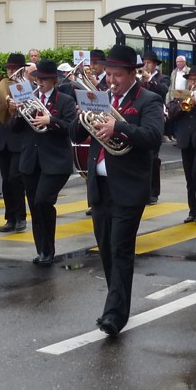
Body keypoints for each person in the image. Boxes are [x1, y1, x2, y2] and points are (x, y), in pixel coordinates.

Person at [70, 44, 164, 335]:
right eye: (108, 74)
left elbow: (153, 136)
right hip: (100, 185)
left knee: (121, 248)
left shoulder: (148, 99)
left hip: (128, 185)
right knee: (106, 249)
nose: (111, 80)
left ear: (132, 73)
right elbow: (75, 134)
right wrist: (80, 116)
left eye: (117, 75)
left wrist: (119, 128)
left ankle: (114, 315)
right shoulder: (101, 98)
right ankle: (118, 303)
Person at [10, 59, 77, 266]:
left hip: (55, 160)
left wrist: (51, 121)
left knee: (43, 202)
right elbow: (15, 129)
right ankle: (42, 250)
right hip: (31, 159)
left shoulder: (65, 100)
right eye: (38, 78)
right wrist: (17, 112)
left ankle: (48, 250)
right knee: (34, 206)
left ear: (53, 80)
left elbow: (71, 128)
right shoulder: (29, 98)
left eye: (44, 79)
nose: (39, 82)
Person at [0, 53, 28, 233]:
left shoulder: (27, 87)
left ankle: (21, 217)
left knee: (15, 178)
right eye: (9, 68)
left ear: (22, 70)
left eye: (14, 68)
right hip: (2, 138)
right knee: (6, 180)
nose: (10, 71)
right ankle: (10, 217)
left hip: (19, 139)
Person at [167, 66, 196, 224]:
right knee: (189, 178)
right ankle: (192, 211)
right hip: (186, 140)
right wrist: (183, 105)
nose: (193, 83)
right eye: (191, 80)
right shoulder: (181, 96)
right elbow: (172, 115)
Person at [141, 50, 169, 199]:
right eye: (144, 62)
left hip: (156, 118)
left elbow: (163, 91)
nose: (146, 65)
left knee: (153, 157)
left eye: (149, 63)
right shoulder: (140, 77)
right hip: (141, 118)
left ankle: (154, 191)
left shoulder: (162, 78)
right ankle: (143, 190)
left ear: (155, 64)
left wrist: (150, 79)